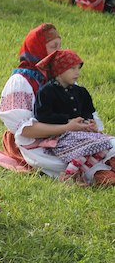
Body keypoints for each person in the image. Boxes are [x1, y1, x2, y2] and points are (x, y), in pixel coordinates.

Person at [0, 23, 115, 185]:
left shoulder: (63, 78)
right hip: (41, 141)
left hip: (76, 135)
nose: (59, 52)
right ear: (37, 49)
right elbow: (25, 130)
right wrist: (67, 127)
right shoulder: (21, 82)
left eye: (60, 46)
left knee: (110, 145)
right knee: (68, 161)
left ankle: (99, 168)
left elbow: (85, 112)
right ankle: (93, 173)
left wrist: (90, 125)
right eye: (53, 47)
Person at [33, 49, 115, 184]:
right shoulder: (46, 92)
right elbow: (42, 116)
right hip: (61, 135)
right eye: (72, 68)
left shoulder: (80, 91)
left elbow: (87, 111)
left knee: (106, 144)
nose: (78, 72)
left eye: (78, 68)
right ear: (59, 71)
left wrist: (90, 122)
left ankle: (78, 174)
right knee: (95, 145)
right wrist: (67, 121)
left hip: (83, 132)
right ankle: (69, 175)